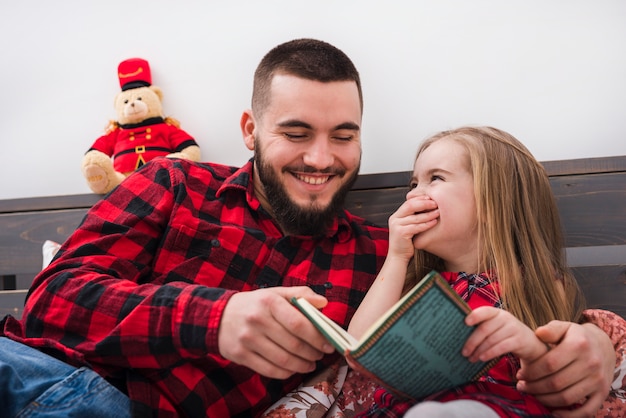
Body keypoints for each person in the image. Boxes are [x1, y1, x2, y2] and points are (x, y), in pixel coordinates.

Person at [0, 40, 617, 417]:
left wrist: (595, 343)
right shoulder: (173, 185)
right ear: (250, 130)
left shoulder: (384, 255)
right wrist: (216, 319)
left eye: (343, 136)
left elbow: (511, 297)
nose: (321, 159)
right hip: (57, 378)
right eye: (296, 134)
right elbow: (51, 302)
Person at [348, 126, 617, 418]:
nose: (414, 195)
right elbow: (360, 350)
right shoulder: (414, 287)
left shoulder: (533, 285)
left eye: (434, 178)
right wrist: (397, 256)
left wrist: (528, 343)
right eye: (413, 184)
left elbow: (557, 375)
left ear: (491, 201)